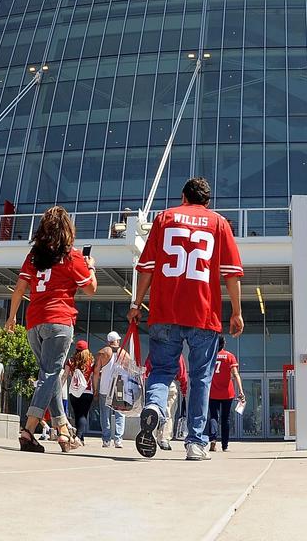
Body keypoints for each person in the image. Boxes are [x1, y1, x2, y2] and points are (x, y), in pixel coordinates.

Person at [130, 177, 244, 461]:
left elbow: (146, 267)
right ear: (207, 201)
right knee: (200, 378)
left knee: (161, 370)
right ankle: (196, 443)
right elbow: (231, 273)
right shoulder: (219, 223)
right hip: (203, 313)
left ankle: (155, 407)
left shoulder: (164, 218)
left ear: (183, 197)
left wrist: (137, 303)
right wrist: (237, 312)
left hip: (164, 311)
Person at [5, 206, 97, 453]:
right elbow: (91, 289)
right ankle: (28, 429)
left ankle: (64, 433)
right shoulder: (72, 256)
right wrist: (91, 267)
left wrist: (11, 317)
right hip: (59, 321)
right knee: (49, 375)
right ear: (68, 230)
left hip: (34, 323)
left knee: (51, 375)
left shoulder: (34, 255)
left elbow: (19, 289)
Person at [208, 337, 245, 452]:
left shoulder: (210, 355)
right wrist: (241, 390)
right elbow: (235, 374)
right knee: (226, 419)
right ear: (224, 344)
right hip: (227, 393)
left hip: (212, 392)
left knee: (213, 416)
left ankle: (213, 439)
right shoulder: (229, 356)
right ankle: (225, 445)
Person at [93, 331, 130, 448]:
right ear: (117, 341)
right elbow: (130, 371)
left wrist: (95, 389)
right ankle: (118, 439)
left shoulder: (102, 353)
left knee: (105, 414)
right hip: (119, 386)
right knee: (120, 413)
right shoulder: (124, 353)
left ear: (108, 341)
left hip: (105, 387)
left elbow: (95, 373)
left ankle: (106, 439)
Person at [63, 341, 95, 445]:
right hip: (87, 391)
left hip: (74, 391)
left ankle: (81, 438)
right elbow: (94, 377)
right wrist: (96, 389)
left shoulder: (70, 361)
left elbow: (65, 376)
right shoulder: (91, 362)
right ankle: (78, 438)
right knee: (83, 415)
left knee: (77, 414)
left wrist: (59, 388)